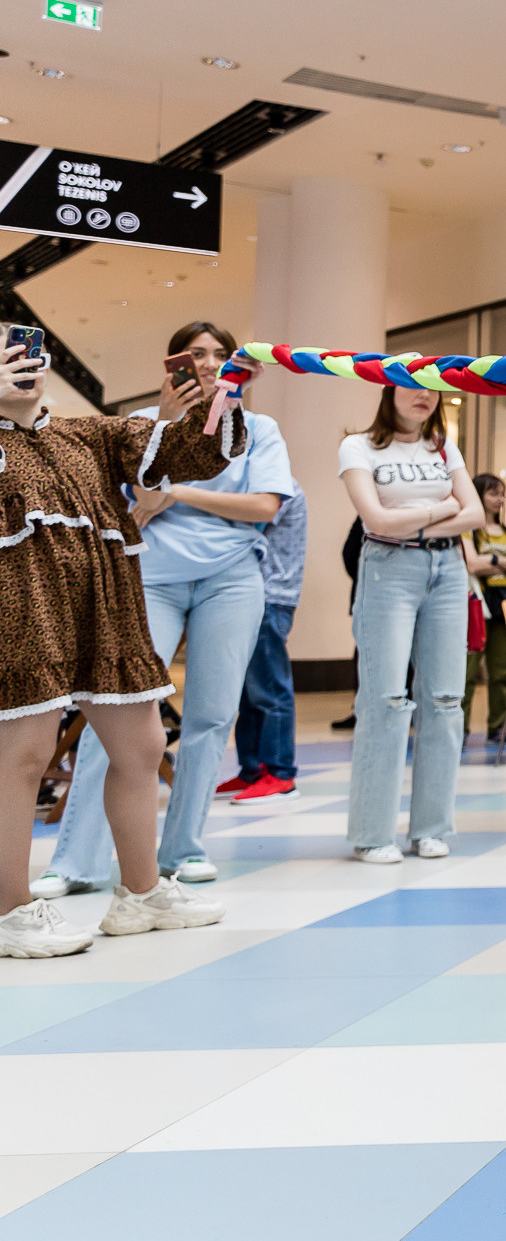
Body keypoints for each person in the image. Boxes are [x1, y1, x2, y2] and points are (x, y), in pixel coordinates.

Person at [0, 340, 239, 955]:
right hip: (21, 610)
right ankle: (9, 910)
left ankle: (140, 894)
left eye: (29, 357)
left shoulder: (90, 433)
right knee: (23, 755)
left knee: (142, 743)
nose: (22, 367)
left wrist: (216, 399)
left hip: (104, 609)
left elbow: (192, 453)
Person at [44, 321, 294, 894]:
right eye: (196, 354)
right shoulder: (140, 427)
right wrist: (162, 427)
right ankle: (75, 861)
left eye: (220, 355)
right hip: (150, 579)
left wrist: (176, 492)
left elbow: (263, 507)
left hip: (231, 580)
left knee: (211, 717)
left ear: (238, 368)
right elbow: (126, 502)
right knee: (114, 714)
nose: (208, 364)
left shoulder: (258, 429)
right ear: (174, 365)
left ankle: (182, 849)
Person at [339, 379, 484, 864]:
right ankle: (372, 834)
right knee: (384, 699)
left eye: (433, 389)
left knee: (445, 701)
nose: (425, 396)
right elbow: (375, 522)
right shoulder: (357, 446)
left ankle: (430, 828)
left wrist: (416, 519)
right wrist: (443, 508)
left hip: (447, 570)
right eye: (413, 386)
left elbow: (477, 513)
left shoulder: (444, 446)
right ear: (389, 391)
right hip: (388, 568)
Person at [227, 487, 306, 804]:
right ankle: (253, 769)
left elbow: (252, 520)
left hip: (270, 595)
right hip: (257, 594)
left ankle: (280, 774)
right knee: (250, 691)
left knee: (270, 688)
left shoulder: (281, 485)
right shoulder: (258, 483)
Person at [464, 473, 506, 751]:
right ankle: (459, 726)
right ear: (479, 495)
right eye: (493, 493)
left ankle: (497, 727)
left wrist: (490, 561)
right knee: (467, 670)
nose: (500, 499)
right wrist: (503, 563)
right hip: (476, 605)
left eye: (502, 494)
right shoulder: (470, 530)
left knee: (501, 669)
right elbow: (472, 564)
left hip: (503, 606)